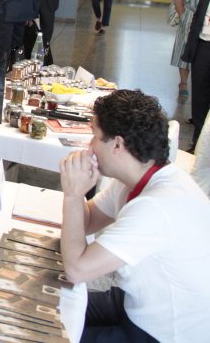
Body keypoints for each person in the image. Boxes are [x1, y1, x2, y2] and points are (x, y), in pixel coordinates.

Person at [59, 90, 210, 342]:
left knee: (44, 333)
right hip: (138, 303)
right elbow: (88, 222)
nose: (90, 147)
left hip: (163, 333)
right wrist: (77, 190)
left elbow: (77, 269)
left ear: (117, 144)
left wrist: (73, 195)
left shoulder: (157, 205)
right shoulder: (138, 176)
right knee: (50, 304)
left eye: (95, 137)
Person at [171, 0, 209, 103]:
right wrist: (183, 17)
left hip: (207, 21)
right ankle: (184, 84)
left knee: (202, 53)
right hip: (191, 18)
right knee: (185, 51)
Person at [182, 0, 210, 152]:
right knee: (199, 97)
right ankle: (197, 143)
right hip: (203, 46)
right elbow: (197, 19)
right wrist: (190, 48)